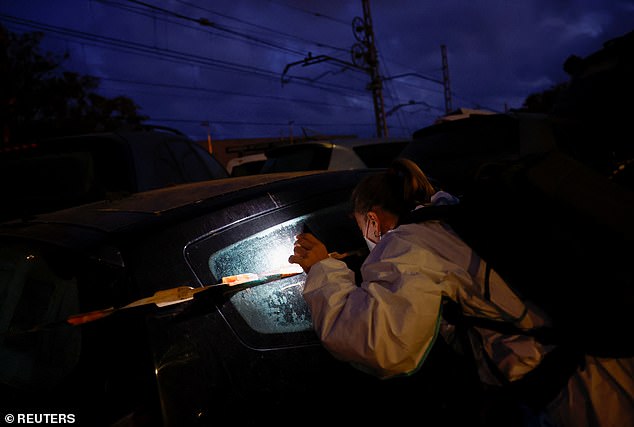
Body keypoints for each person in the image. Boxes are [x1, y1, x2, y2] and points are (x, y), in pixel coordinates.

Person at [288, 158, 633, 427]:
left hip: (581, 394)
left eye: (360, 225)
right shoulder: (452, 215)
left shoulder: (408, 242)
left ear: (372, 220)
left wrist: (323, 270)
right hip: (604, 353)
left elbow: (383, 343)